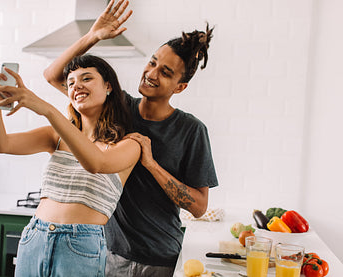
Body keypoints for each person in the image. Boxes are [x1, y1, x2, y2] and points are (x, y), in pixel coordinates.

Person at [43, 0, 219, 276]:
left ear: (180, 86)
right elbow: (54, 76)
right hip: (108, 252)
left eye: (165, 72)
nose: (151, 74)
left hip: (159, 259)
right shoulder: (118, 108)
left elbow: (198, 206)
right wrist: (92, 36)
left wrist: (151, 164)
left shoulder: (191, 130)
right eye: (152, 62)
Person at [0, 54, 141, 276]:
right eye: (70, 83)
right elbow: (1, 144)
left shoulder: (130, 144)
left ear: (108, 87)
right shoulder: (56, 136)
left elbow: (96, 163)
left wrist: (47, 109)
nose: (77, 85)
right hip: (35, 237)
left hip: (80, 246)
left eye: (86, 78)